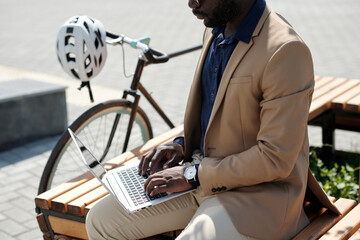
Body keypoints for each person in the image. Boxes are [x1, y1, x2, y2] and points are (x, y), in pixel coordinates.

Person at [86, 0, 340, 239]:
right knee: (99, 221)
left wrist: (192, 174)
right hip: (200, 177)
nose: (192, 3)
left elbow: (276, 157)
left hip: (258, 196)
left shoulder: (286, 50)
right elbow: (219, 116)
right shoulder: (214, 31)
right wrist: (181, 145)